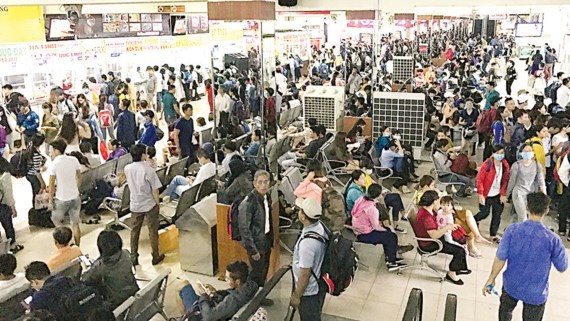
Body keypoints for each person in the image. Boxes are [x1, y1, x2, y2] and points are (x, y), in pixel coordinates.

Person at [482, 192, 568, 321]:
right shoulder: (552, 239)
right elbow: (562, 266)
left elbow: (500, 257)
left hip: (511, 285)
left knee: (505, 312)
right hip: (536, 292)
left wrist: (491, 278)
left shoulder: (512, 230)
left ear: (527, 207)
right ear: (547, 210)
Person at [413, 190, 470, 285]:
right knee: (459, 250)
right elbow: (434, 235)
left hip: (433, 238)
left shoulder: (426, 210)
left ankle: (459, 267)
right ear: (434, 201)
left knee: (460, 241)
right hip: (429, 243)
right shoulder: (426, 217)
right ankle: (452, 273)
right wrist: (447, 227)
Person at [351, 184, 410, 271]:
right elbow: (376, 227)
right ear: (378, 195)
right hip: (364, 233)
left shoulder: (360, 199)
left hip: (356, 227)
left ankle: (390, 254)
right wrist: (388, 229)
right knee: (391, 236)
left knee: (388, 233)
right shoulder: (372, 209)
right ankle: (391, 262)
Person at [124, 144, 164, 266]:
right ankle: (155, 256)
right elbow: (155, 190)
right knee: (153, 231)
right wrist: (157, 203)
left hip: (135, 203)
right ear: (142, 155)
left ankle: (134, 256)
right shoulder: (148, 169)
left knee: (134, 231)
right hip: (149, 203)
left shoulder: (127, 168)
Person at [289, 197, 328, 320]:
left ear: (303, 217)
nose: (298, 212)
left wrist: (297, 295)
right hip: (319, 285)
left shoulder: (308, 244)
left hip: (309, 292)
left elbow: (305, 273)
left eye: (300, 210)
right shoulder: (320, 227)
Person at [178, 260, 258, 320]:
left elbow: (209, 316)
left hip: (203, 312)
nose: (225, 279)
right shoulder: (250, 287)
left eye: (228, 278)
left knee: (183, 285)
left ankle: (185, 317)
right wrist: (215, 292)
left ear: (237, 281)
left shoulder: (232, 300)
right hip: (214, 305)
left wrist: (203, 295)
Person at [82, 230, 139, 309]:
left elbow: (85, 280)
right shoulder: (126, 253)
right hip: (134, 297)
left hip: (116, 305)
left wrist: (86, 269)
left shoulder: (100, 267)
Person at [237, 170, 273, 289]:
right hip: (256, 244)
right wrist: (252, 250)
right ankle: (253, 298)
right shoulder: (249, 202)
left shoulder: (266, 197)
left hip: (266, 239)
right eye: (260, 182)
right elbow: (244, 228)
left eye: (266, 182)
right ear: (254, 183)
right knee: (256, 273)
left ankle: (260, 294)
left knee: (264, 270)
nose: (263, 185)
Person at [48, 139, 82, 246]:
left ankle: (65, 241)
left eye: (51, 150)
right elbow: (79, 177)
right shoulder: (73, 160)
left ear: (57, 150)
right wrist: (76, 188)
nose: (50, 152)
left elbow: (52, 185)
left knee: (56, 220)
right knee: (75, 224)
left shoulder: (54, 165)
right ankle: (77, 246)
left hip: (61, 198)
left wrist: (50, 200)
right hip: (75, 196)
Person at [474, 145, 510, 244]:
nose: (500, 155)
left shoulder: (505, 165)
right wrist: (480, 194)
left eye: (502, 153)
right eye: (497, 153)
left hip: (498, 194)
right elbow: (480, 179)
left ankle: (493, 235)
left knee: (497, 215)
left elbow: (505, 180)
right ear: (493, 153)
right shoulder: (487, 164)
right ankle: (473, 220)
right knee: (484, 213)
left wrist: (503, 193)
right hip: (487, 193)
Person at [506, 143, 546, 223]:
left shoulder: (537, 165)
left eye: (530, 150)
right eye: (526, 151)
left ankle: (514, 228)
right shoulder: (516, 165)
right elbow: (512, 181)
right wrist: (507, 194)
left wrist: (544, 194)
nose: (528, 152)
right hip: (519, 193)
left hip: (531, 193)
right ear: (521, 153)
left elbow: (541, 180)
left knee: (529, 216)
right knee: (522, 216)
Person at [0, 158, 23, 253]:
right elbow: (8, 193)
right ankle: (12, 246)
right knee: (8, 226)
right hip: (3, 205)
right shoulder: (5, 175)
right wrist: (13, 207)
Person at [25, 133, 47, 206]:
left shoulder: (30, 146)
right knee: (37, 193)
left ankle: (35, 207)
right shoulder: (36, 154)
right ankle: (36, 208)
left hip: (28, 173)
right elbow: (37, 171)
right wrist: (42, 182)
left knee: (34, 191)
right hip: (33, 175)